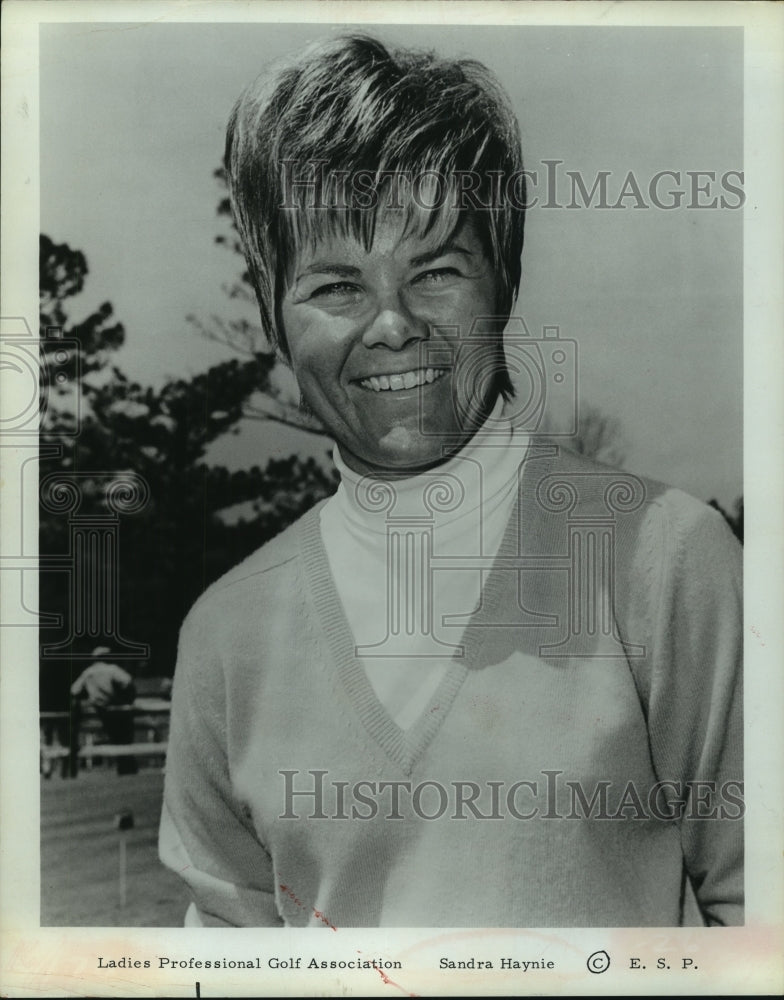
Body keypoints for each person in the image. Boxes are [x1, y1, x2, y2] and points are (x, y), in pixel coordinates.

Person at [159, 34, 743, 928]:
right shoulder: (226, 640)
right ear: (275, 314)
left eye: (436, 271)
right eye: (336, 286)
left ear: (502, 281)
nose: (392, 325)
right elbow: (228, 961)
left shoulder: (668, 562)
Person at [70, 646, 138, 775]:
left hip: (99, 711)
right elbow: (127, 681)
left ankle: (123, 767)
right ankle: (128, 767)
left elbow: (74, 690)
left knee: (116, 739)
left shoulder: (88, 672)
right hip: (117, 709)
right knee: (124, 739)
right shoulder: (112, 669)